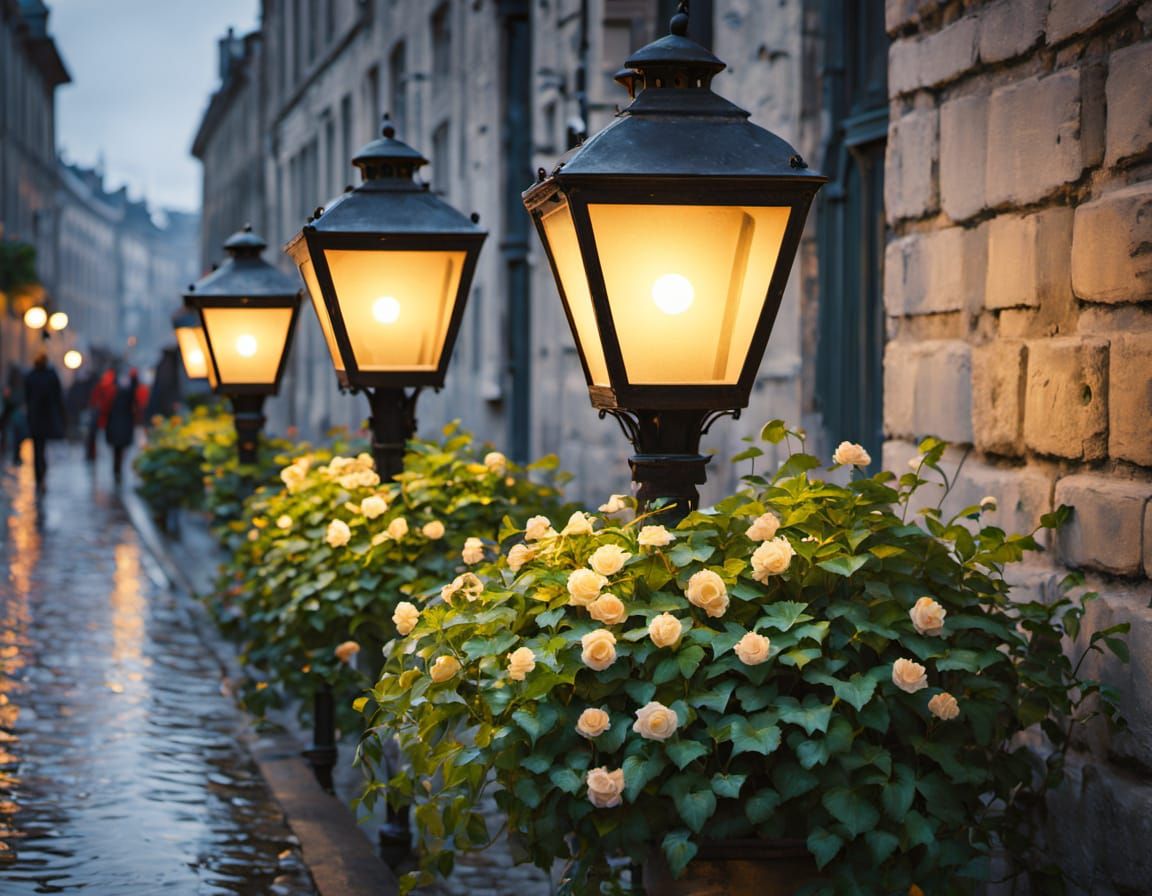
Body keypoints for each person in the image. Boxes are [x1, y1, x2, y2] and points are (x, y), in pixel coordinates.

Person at [23, 352, 66, 492]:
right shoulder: (51, 376)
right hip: (46, 418)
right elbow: (59, 398)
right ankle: (41, 478)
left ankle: (39, 478)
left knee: (38, 450)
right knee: (41, 450)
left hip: (36, 418)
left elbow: (27, 398)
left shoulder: (31, 376)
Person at [105, 369, 138, 484]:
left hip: (117, 426)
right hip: (120, 426)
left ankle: (117, 470)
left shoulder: (114, 392)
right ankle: (118, 470)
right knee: (119, 450)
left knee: (117, 451)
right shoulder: (123, 394)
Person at [88, 368, 116, 461]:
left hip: (107, 420)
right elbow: (93, 401)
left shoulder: (112, 390)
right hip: (99, 419)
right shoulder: (99, 388)